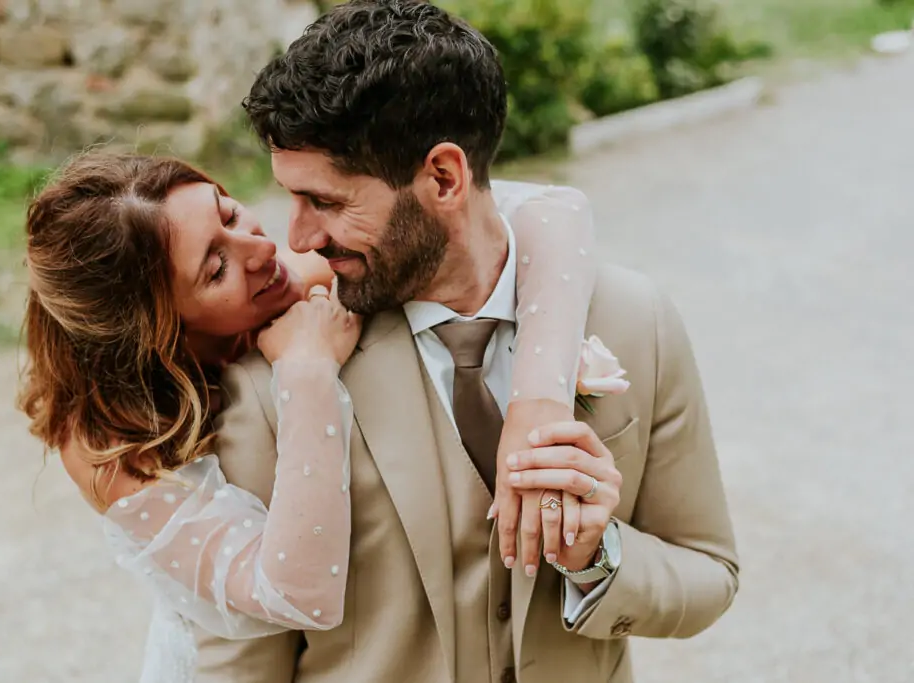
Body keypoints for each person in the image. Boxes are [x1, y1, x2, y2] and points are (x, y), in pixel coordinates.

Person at [193, 2, 739, 683]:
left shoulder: (636, 319)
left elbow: (710, 571)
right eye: (292, 199)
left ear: (444, 177)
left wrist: (598, 555)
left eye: (326, 202)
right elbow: (240, 658)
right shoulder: (276, 372)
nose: (297, 238)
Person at [18, 154, 595, 671]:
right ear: (156, 328)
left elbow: (553, 210)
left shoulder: (283, 282)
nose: (263, 248)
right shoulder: (110, 448)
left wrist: (537, 401)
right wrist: (305, 373)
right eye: (216, 268)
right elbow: (299, 594)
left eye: (230, 213)